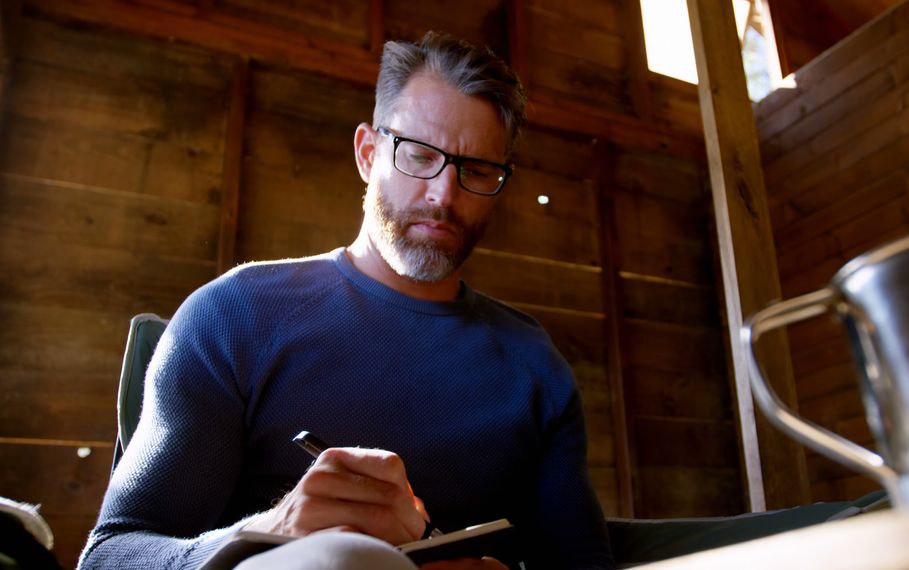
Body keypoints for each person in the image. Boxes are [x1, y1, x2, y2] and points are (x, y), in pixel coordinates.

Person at [78, 31, 614, 569]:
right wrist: (267, 532)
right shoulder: (235, 315)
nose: (442, 195)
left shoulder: (532, 364)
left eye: (475, 171)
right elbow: (109, 557)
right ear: (366, 153)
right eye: (419, 156)